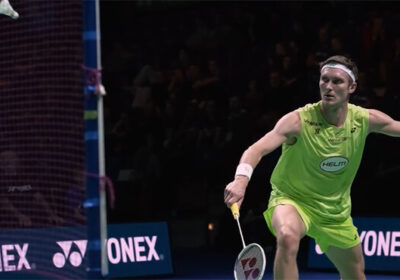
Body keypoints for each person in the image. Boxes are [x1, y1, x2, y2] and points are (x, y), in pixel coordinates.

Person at [224, 55, 400, 280]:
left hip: (334, 211)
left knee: (354, 273)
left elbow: (397, 127)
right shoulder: (298, 121)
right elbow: (256, 149)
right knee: (287, 236)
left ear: (352, 87)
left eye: (337, 81)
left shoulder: (364, 120)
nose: (328, 86)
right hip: (293, 200)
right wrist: (240, 181)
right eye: (324, 80)